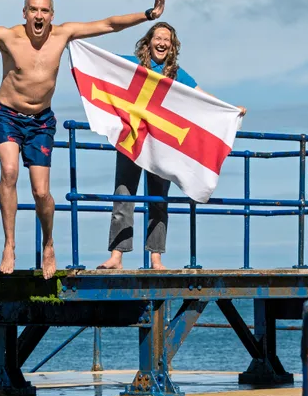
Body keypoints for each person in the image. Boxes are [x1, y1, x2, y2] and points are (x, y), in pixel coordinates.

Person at [0, 0, 168, 279]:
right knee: (9, 171)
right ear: (25, 13)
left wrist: (149, 14)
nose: (39, 16)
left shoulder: (62, 34)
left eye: (44, 11)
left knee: (41, 192)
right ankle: (10, 244)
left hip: (41, 121)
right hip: (7, 117)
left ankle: (49, 243)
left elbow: (108, 24)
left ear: (52, 15)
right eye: (33, 11)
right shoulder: (8, 38)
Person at [97, 21, 246, 270]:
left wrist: (230, 109)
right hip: (131, 139)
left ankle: (156, 257)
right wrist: (76, 45)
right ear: (149, 41)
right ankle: (117, 256)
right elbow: (103, 63)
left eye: (167, 39)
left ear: (172, 46)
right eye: (158, 38)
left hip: (160, 145)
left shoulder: (176, 74)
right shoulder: (132, 65)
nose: (162, 43)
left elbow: (201, 96)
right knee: (123, 196)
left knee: (158, 199)